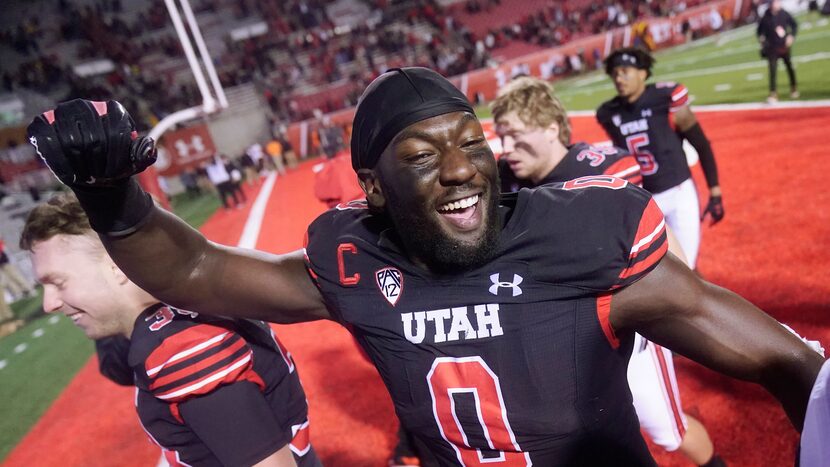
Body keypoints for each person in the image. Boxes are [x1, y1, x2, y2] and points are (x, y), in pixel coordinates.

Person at [27, 78, 823, 466]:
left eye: (470, 142)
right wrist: (113, 199)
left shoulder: (586, 235)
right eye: (419, 156)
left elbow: (791, 363)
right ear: (372, 188)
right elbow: (196, 267)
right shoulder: (353, 260)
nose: (459, 169)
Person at [493, 76, 725, 467]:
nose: (507, 149)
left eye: (516, 136)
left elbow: (658, 233)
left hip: (621, 330)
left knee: (668, 433)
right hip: (553, 338)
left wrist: (677, 301)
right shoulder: (506, 179)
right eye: (502, 137)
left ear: (551, 127)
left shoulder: (600, 172)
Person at [19, 193, 320, 467]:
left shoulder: (179, 347)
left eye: (58, 283)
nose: (49, 304)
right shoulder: (186, 305)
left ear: (116, 266)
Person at [597, 47, 723, 270]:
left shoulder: (665, 98)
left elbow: (701, 144)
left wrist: (715, 191)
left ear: (643, 73)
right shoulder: (608, 113)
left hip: (678, 192)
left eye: (625, 71)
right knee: (651, 271)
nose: (619, 78)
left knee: (687, 268)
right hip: (644, 200)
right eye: (615, 73)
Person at [756, 0, 798, 103]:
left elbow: (794, 25)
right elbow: (759, 31)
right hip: (772, 47)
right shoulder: (766, 16)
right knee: (772, 70)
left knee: (789, 67)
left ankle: (793, 88)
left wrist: (791, 36)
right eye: (775, 2)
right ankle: (773, 93)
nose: (777, 4)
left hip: (783, 46)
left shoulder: (783, 13)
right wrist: (761, 39)